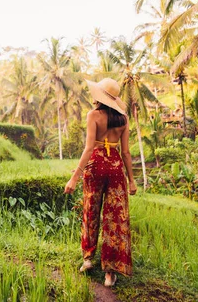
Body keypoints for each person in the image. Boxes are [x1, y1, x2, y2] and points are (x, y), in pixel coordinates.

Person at [64, 77, 137, 287]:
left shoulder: (93, 115)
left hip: (95, 165)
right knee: (115, 217)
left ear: (99, 96)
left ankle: (88, 259)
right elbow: (126, 152)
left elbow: (88, 149)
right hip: (115, 167)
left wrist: (74, 177)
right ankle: (110, 273)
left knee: (90, 210)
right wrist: (132, 181)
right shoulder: (123, 119)